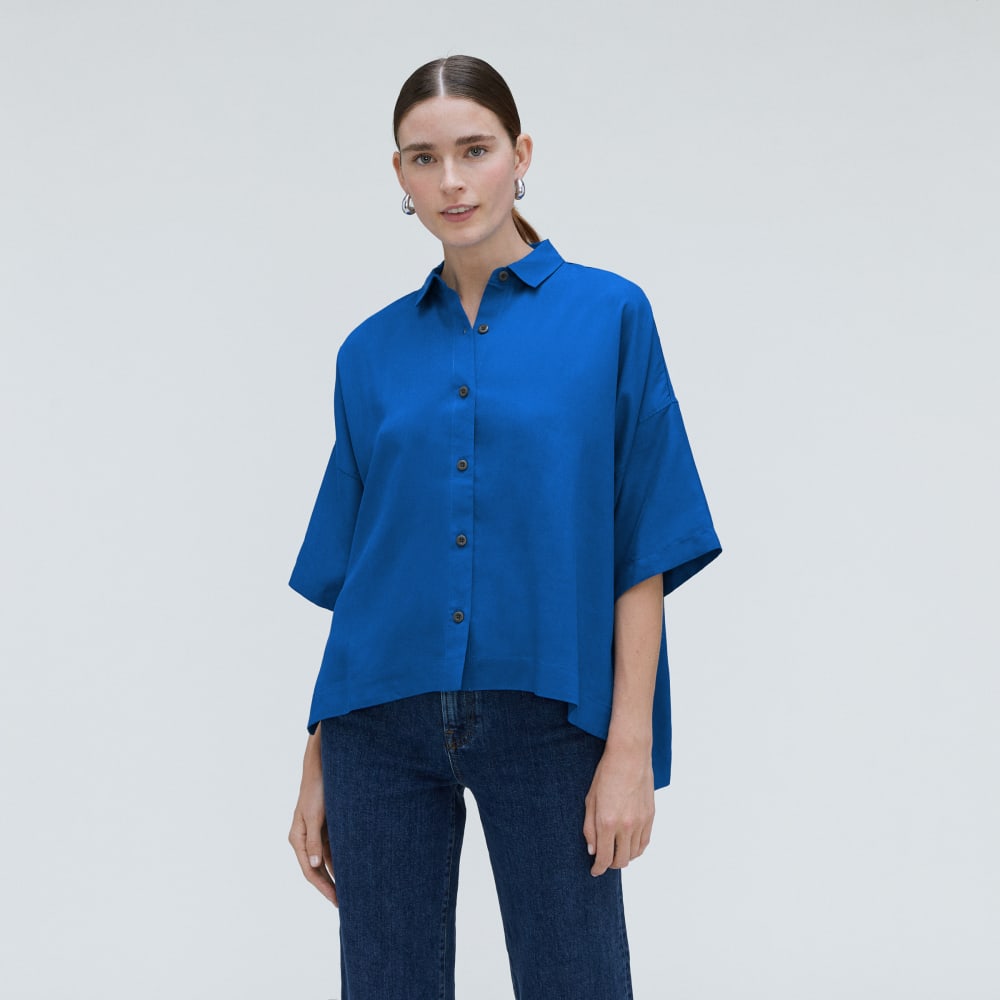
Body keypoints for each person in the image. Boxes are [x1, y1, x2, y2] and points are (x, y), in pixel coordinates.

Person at [287, 54, 721, 999]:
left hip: (550, 717)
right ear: (398, 174)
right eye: (424, 158)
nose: (451, 181)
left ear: (520, 156)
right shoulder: (369, 352)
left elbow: (642, 544)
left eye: (475, 150)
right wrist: (317, 755)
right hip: (378, 724)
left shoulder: (610, 315)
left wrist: (630, 747)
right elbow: (360, 567)